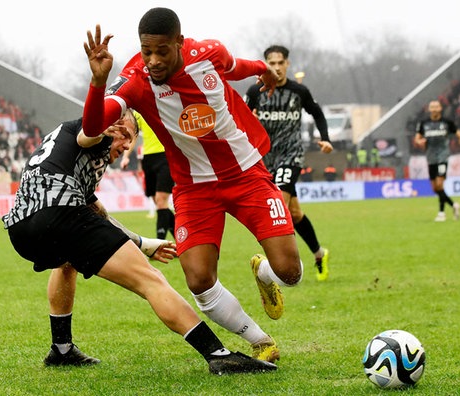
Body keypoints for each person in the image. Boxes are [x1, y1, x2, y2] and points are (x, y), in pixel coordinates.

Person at [81, 9, 305, 364]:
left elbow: (237, 66)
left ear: (180, 43)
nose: (152, 60)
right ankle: (260, 340)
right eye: (145, 51)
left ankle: (263, 272)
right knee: (199, 279)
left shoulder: (208, 54)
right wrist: (97, 82)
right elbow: (93, 126)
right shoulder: (135, 79)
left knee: (290, 273)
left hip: (246, 174)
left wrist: (264, 71)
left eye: (161, 51)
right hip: (193, 189)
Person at [2, 113, 275, 375]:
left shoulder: (62, 141)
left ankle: (61, 349)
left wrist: (143, 243)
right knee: (151, 280)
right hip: (62, 214)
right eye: (128, 136)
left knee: (67, 263)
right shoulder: (94, 131)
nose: (128, 146)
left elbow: (97, 212)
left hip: (21, 228)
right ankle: (218, 355)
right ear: (115, 125)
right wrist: (100, 82)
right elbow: (91, 132)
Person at [245, 45, 333, 282]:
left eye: (280, 63)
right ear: (264, 65)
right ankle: (319, 254)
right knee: (294, 213)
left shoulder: (299, 91)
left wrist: (325, 138)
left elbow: (317, 113)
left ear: (287, 64)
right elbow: (239, 117)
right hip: (264, 158)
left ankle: (277, 267)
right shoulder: (255, 91)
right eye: (271, 63)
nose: (276, 67)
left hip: (291, 155)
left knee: (278, 204)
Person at [414, 99, 460, 222]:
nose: (434, 109)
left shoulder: (447, 123)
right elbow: (417, 139)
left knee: (440, 183)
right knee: (435, 188)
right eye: (432, 107)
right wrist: (420, 141)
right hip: (430, 157)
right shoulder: (424, 123)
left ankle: (441, 213)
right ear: (429, 109)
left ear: (440, 108)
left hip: (442, 156)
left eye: (436, 106)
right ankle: (454, 205)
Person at [121, 110, 175, 239]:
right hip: (148, 159)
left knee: (161, 200)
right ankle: (182, 240)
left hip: (166, 157)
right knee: (158, 203)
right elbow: (133, 136)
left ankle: (159, 243)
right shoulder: (139, 113)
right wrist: (125, 157)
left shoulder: (166, 107)